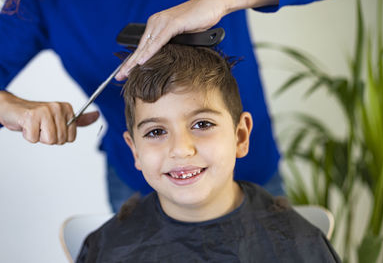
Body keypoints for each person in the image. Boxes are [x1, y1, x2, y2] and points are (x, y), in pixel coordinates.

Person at [0, 0, 332, 212]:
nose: (181, 150)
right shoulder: (39, 2)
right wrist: (2, 104)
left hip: (248, 175)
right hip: (139, 187)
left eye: (202, 123)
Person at [77, 44, 340, 262]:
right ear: (134, 150)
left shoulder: (301, 246)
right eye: (156, 132)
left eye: (202, 124)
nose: (180, 149)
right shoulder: (106, 249)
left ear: (240, 136)